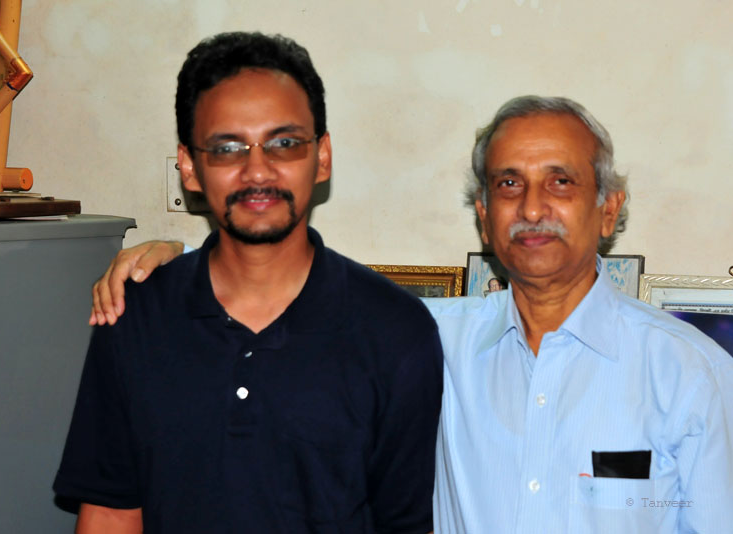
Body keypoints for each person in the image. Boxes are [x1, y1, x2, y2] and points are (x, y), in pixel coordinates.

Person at [89, 95, 733, 533]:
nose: (533, 207)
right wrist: (172, 261)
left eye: (560, 182)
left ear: (608, 209)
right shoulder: (426, 339)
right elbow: (292, 286)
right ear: (484, 214)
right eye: (508, 183)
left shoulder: (689, 374)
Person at [55, 32, 442, 534]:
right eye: (227, 148)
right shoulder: (136, 314)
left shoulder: (397, 331)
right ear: (190, 168)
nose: (257, 171)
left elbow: (405, 523)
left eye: (285, 143)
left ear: (322, 157)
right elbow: (111, 512)